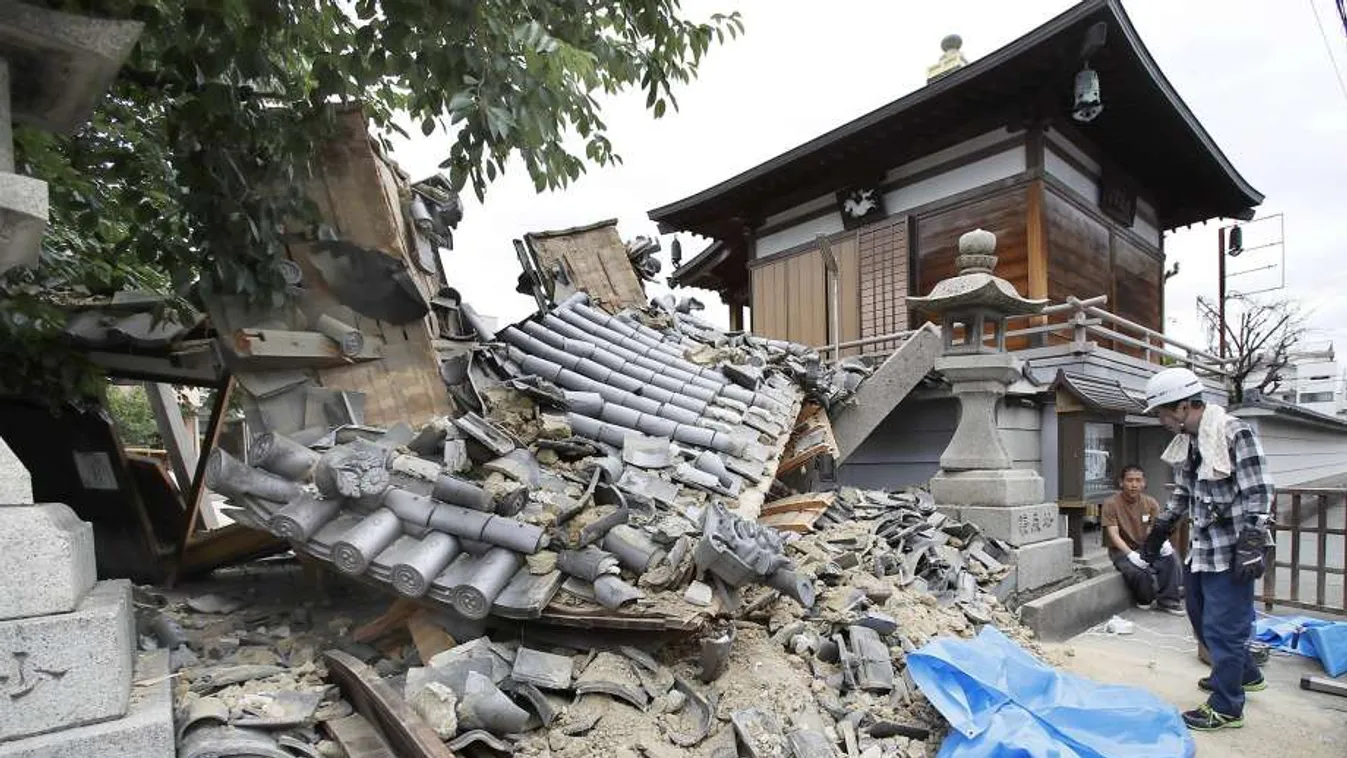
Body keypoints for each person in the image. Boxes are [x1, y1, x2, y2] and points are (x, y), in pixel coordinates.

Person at [1140, 367, 1273, 732]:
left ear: (1184, 406)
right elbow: (1183, 493)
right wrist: (1161, 529)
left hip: (1232, 551)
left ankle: (1227, 707)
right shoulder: (1190, 443)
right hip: (1203, 549)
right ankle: (1244, 674)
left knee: (1223, 629)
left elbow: (1259, 492)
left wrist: (1252, 541)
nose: (1162, 420)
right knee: (1199, 615)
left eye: (1164, 413)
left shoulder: (1233, 433)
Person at [1100, 464, 1184, 614]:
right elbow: (1113, 534)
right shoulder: (1110, 504)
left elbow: (1154, 529)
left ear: (1144, 483)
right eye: (1129, 480)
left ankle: (1168, 601)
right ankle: (1146, 598)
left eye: (1138, 480)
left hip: (1145, 546)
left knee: (1170, 559)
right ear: (1121, 482)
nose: (1134, 485)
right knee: (1139, 572)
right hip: (1121, 550)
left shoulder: (1150, 503)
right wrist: (1131, 554)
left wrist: (1162, 543)